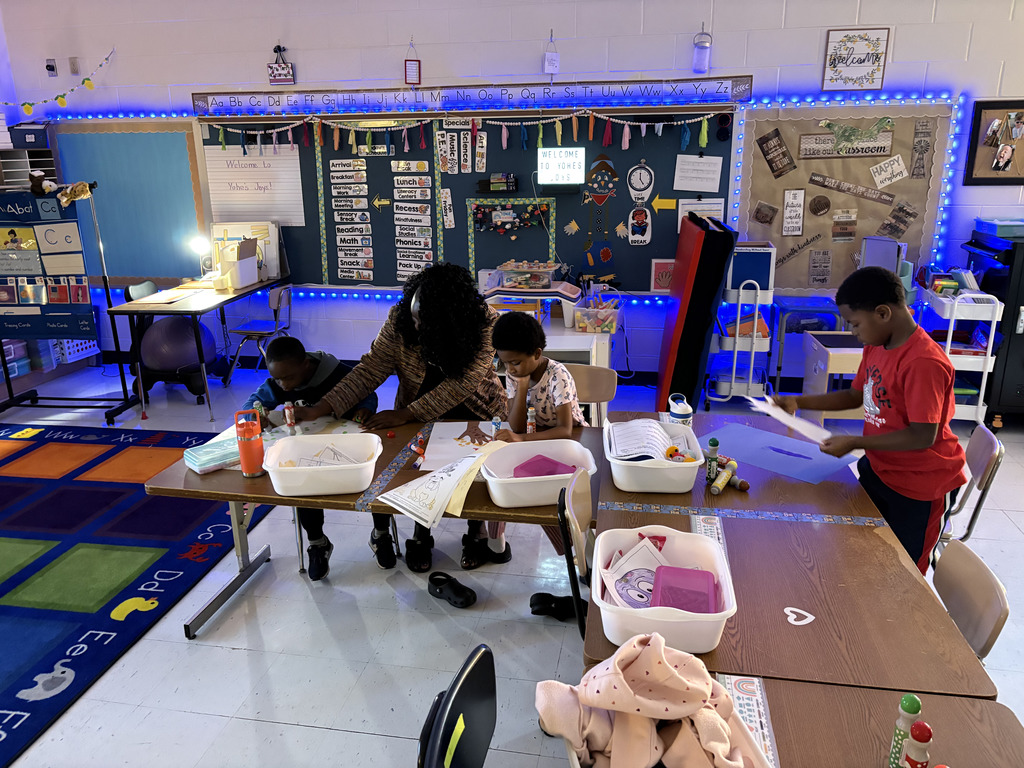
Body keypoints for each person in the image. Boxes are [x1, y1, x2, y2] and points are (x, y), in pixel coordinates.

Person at [294, 262, 509, 573]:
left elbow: (463, 383)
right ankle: (422, 534)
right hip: (417, 410)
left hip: (475, 411)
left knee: (471, 476)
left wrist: (407, 413)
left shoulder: (485, 323)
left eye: (425, 322)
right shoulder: (400, 319)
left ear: (451, 320)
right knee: (422, 474)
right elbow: (371, 369)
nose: (417, 326)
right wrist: (321, 407)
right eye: (414, 317)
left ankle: (474, 533)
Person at [775, 267, 966, 574]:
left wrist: (856, 441)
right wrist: (798, 400)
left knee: (904, 570)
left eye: (855, 324)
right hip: (880, 470)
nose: (853, 332)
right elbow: (854, 396)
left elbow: (922, 435)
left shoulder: (923, 362)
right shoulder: (876, 346)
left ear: (882, 313)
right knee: (867, 554)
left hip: (921, 486)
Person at [242, 335, 377, 581]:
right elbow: (252, 404)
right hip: (307, 451)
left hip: (350, 447)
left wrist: (364, 409)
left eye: (288, 378)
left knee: (375, 478)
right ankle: (317, 543)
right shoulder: (277, 383)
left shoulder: (338, 373)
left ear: (306, 364)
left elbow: (367, 393)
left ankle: (381, 534)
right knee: (301, 485)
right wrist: (255, 415)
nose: (282, 385)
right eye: (277, 378)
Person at [492, 310, 589, 622]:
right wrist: (520, 389)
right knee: (504, 483)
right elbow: (517, 424)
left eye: (516, 363)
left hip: (567, 447)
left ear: (537, 353)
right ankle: (494, 541)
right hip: (536, 441)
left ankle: (575, 554)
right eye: (505, 363)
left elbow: (566, 430)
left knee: (545, 498)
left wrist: (520, 440)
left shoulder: (558, 375)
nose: (510, 368)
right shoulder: (514, 374)